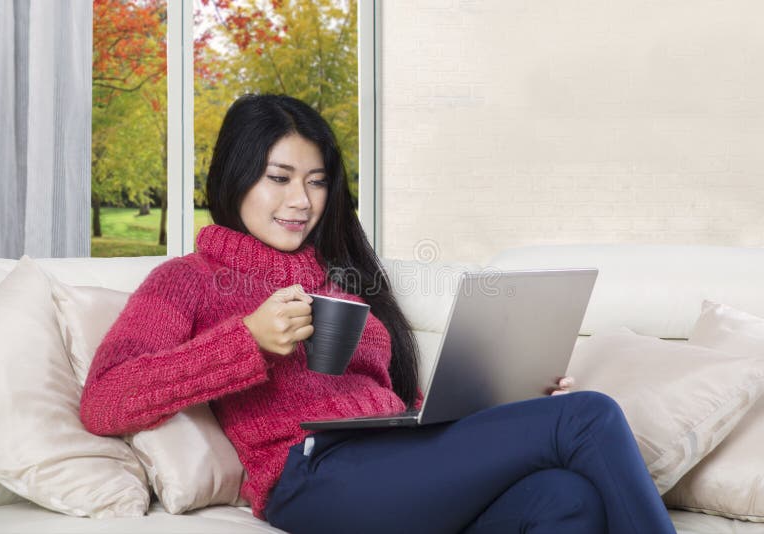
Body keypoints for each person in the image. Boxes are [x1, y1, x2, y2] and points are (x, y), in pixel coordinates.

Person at [79, 94, 676, 534]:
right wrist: (247, 342)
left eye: (315, 182)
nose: (301, 201)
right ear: (235, 178)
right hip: (315, 478)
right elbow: (105, 401)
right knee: (588, 417)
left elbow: (382, 403)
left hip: (401, 460)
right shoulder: (187, 281)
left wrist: (508, 403)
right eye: (279, 179)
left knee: (566, 498)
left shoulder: (345, 279)